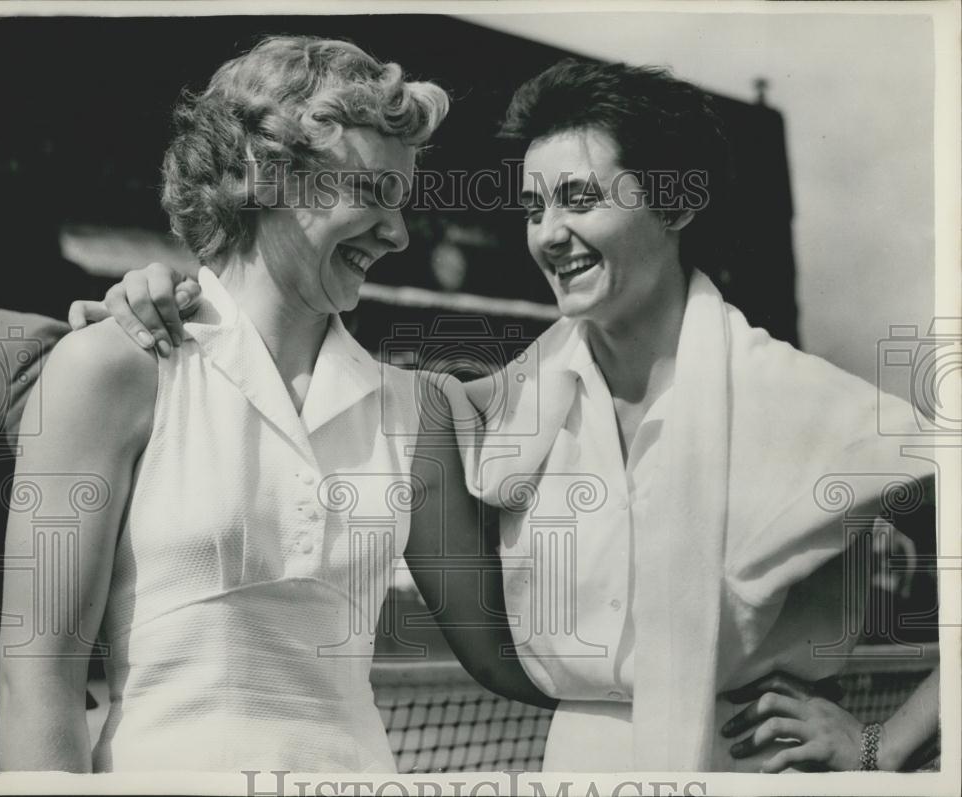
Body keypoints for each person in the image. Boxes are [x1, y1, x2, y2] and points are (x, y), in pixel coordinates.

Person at [69, 59, 938, 773]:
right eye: (533, 207)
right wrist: (137, 303)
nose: (549, 233)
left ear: (675, 203)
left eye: (579, 198)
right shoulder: (504, 403)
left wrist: (878, 742)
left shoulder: (803, 400)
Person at [0, 35, 550, 774]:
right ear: (269, 175)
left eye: (402, 201)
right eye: (373, 193)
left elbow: (513, 655)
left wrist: (742, 670)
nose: (398, 232)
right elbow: (38, 683)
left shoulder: (417, 411)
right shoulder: (107, 368)